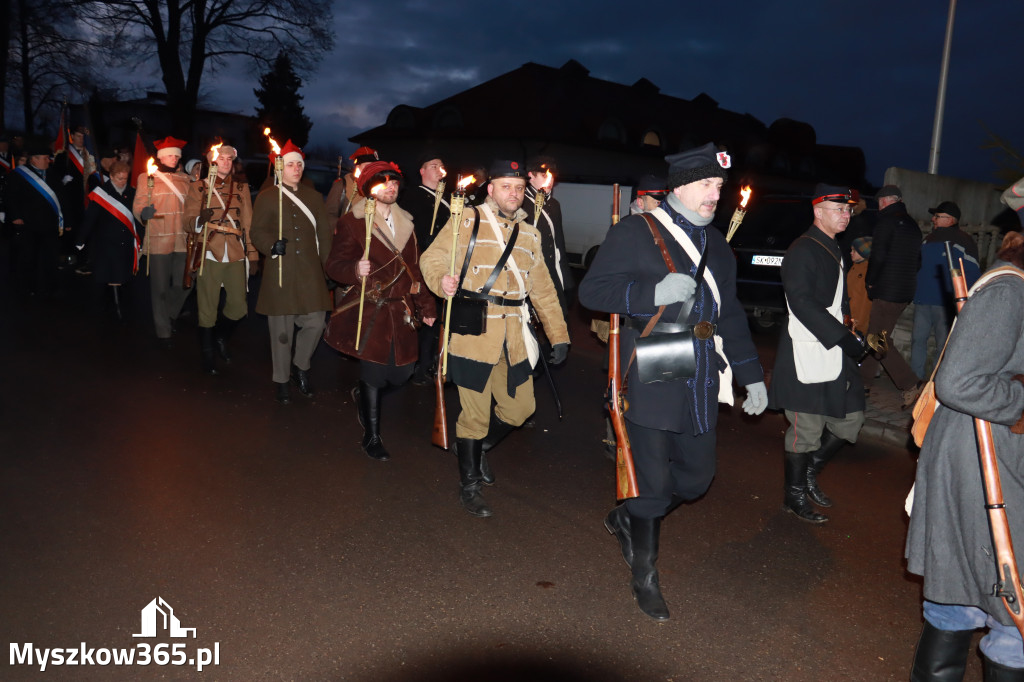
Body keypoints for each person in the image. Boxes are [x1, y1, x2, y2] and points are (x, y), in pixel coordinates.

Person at [578, 143, 767, 621]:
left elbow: (732, 314)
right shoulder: (636, 231)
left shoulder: (718, 244)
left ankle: (629, 517)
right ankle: (645, 573)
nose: (714, 195)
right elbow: (592, 290)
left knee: (697, 477)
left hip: (703, 368)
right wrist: (650, 293)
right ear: (680, 186)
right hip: (654, 363)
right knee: (652, 479)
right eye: (707, 185)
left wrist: (752, 375)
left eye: (719, 187)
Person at [420, 159, 570, 518]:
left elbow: (544, 291)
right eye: (506, 186)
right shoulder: (466, 220)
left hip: (515, 334)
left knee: (521, 410)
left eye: (519, 188)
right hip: (474, 332)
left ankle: (474, 448)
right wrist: (441, 279)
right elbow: (433, 257)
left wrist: (559, 335)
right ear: (490, 189)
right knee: (474, 415)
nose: (514, 194)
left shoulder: (531, 234)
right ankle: (469, 485)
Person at [905, 231, 1024, 681]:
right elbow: (960, 382)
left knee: (976, 601)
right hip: (985, 461)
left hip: (999, 455)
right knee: (985, 607)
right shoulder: (1010, 289)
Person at [767, 184, 867, 525]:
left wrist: (851, 330)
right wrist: (842, 337)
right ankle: (793, 496)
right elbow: (803, 303)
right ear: (818, 211)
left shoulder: (833, 246)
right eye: (839, 209)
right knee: (805, 429)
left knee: (851, 419)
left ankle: (809, 472)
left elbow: (838, 301)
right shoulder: (803, 250)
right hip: (806, 351)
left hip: (834, 347)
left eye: (848, 210)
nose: (846, 214)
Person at [323, 160, 437, 460]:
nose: (390, 185)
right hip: (370, 309)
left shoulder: (408, 224)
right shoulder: (352, 222)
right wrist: (354, 269)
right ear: (369, 189)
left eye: (394, 181)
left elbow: (415, 270)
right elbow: (334, 265)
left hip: (401, 309)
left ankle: (362, 394)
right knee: (374, 371)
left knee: (402, 374)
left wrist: (426, 305)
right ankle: (371, 436)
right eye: (382, 181)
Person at [250, 140, 333, 404]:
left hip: (310, 270)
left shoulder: (314, 196)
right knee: (282, 331)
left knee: (316, 321)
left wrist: (327, 266)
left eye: (299, 164)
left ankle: (301, 367)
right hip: (281, 270)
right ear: (280, 168)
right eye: (290, 164)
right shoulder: (267, 196)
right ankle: (282, 380)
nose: (296, 168)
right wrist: (270, 245)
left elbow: (323, 234)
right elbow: (257, 232)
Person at [183, 144, 257, 375]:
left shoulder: (242, 188)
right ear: (212, 162)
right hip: (209, 250)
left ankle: (219, 338)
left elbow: (248, 223)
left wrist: (252, 254)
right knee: (207, 308)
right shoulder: (198, 187)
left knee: (238, 307)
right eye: (221, 158)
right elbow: (187, 221)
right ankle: (207, 355)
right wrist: (199, 219)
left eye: (229, 159)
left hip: (235, 251)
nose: (225, 162)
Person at [859, 184, 922, 400]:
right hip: (904, 292)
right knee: (875, 335)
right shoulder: (913, 225)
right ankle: (863, 382)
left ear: (884, 201)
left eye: (879, 203)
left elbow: (878, 257)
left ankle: (910, 384)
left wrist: (870, 282)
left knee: (877, 339)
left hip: (886, 291)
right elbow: (917, 262)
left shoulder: (886, 222)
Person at [133, 136, 194, 345]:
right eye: (169, 155)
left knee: (185, 284)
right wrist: (143, 213)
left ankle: (169, 314)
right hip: (159, 238)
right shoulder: (147, 177)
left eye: (177, 155)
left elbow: (193, 207)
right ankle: (163, 331)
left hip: (183, 239)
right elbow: (139, 204)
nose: (174, 159)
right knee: (159, 287)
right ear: (160, 157)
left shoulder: (187, 180)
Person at [910, 201, 980, 380]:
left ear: (951, 220)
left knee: (942, 345)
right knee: (918, 340)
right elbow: (917, 266)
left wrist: (961, 297)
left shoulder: (963, 241)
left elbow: (972, 272)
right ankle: (915, 380)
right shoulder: (928, 239)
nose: (933, 219)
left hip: (946, 302)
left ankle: (936, 381)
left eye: (938, 216)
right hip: (923, 299)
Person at [400, 152, 450, 386]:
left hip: (447, 264)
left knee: (443, 318)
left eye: (441, 165)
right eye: (433, 165)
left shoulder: (451, 198)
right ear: (422, 171)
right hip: (422, 263)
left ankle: (437, 363)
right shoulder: (411, 197)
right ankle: (418, 365)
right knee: (426, 315)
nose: (439, 169)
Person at [75, 160, 143, 319]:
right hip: (107, 242)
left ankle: (123, 307)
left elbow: (135, 217)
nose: (123, 182)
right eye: (119, 178)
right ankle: (109, 307)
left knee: (124, 276)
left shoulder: (132, 193)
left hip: (126, 241)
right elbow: (90, 218)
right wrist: (81, 239)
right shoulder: (101, 193)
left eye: (125, 178)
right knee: (109, 275)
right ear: (111, 176)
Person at [4, 139, 63, 296]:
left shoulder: (53, 174)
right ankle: (28, 287)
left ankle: (51, 287)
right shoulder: (19, 175)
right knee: (29, 257)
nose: (47, 160)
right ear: (34, 159)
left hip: (49, 223)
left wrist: (66, 219)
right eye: (44, 158)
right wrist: (16, 216)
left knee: (50, 256)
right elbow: (11, 197)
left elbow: (62, 197)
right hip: (29, 223)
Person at [523, 156, 573, 317]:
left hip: (553, 271)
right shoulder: (522, 203)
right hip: (532, 272)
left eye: (551, 176)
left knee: (560, 320)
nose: (550, 180)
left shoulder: (554, 204)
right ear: (531, 176)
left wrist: (566, 278)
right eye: (544, 176)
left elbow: (559, 242)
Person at [326, 146, 378, 228]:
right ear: (358, 167)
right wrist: (343, 227)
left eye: (373, 167)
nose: (370, 170)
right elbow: (328, 215)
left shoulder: (379, 187)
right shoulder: (342, 185)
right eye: (367, 167)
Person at [847, 236, 872, 334]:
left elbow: (864, 302)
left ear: (864, 253)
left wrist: (857, 324)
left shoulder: (867, 272)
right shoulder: (855, 266)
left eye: (854, 251)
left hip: (855, 322)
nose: (851, 252)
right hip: (847, 317)